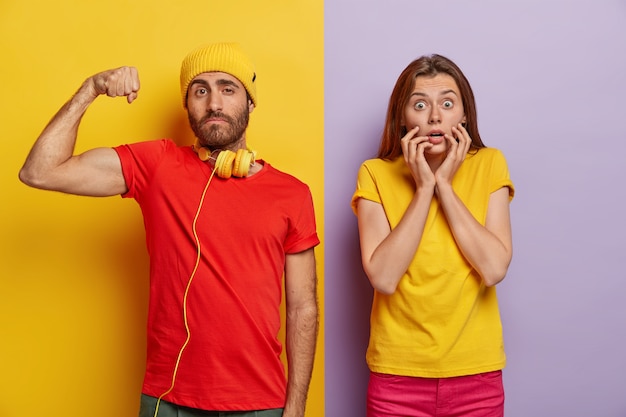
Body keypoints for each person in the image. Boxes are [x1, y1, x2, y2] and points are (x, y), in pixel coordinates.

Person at [19, 42, 319, 417]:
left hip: (262, 403)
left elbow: (303, 308)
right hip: (169, 398)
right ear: (187, 105)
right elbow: (39, 171)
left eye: (228, 88)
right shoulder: (157, 165)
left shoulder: (292, 194)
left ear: (250, 103)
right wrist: (90, 89)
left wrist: (296, 407)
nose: (214, 103)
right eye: (200, 90)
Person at [351, 54, 514, 417]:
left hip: (477, 374)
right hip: (397, 376)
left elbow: (493, 269)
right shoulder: (375, 173)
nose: (435, 117)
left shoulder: (490, 164)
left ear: (464, 115)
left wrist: (445, 187)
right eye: (421, 104)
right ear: (402, 117)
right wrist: (424, 188)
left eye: (447, 103)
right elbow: (384, 276)